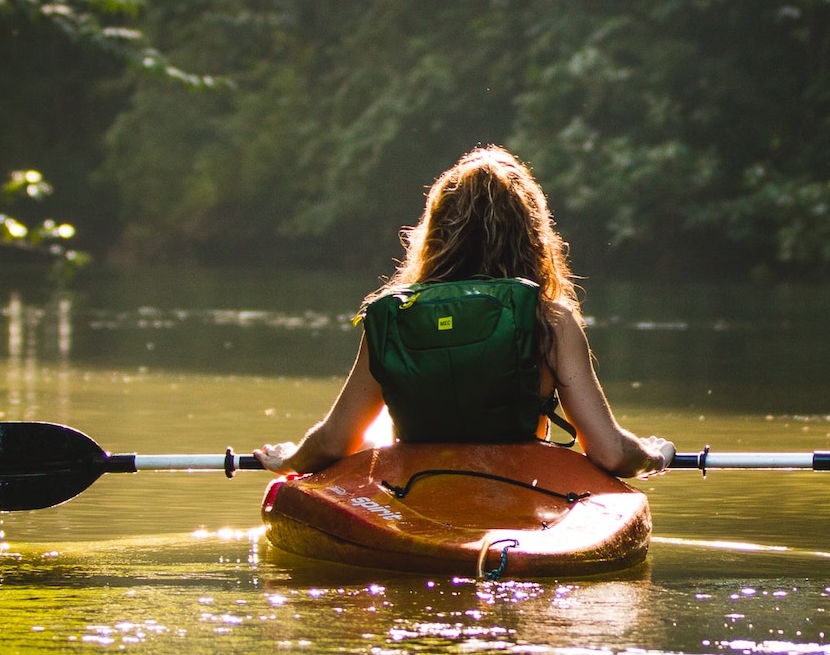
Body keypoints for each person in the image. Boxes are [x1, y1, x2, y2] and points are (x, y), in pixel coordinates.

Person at [255, 148, 675, 479]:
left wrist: (291, 458)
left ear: (435, 232)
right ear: (531, 235)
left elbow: (333, 443)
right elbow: (610, 453)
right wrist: (654, 456)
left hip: (416, 489)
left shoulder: (394, 318)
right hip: (522, 490)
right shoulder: (551, 322)